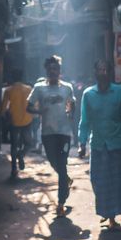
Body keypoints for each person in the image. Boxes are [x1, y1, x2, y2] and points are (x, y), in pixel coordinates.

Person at [78, 59, 121, 230]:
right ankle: (106, 210)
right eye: (100, 70)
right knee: (96, 179)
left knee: (115, 181)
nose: (103, 73)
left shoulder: (119, 92)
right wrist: (81, 143)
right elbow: (85, 121)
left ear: (110, 73)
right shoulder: (88, 94)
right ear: (95, 73)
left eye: (106, 70)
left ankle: (112, 218)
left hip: (116, 144)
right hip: (97, 145)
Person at [27, 56, 75, 216]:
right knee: (55, 163)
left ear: (60, 71)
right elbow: (28, 107)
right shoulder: (39, 88)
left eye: (55, 69)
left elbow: (72, 103)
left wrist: (71, 113)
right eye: (50, 69)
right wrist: (39, 111)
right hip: (47, 133)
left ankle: (61, 202)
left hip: (64, 133)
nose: (53, 71)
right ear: (46, 71)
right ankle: (66, 179)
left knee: (62, 164)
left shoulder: (67, 88)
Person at [0, 69, 33, 180]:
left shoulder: (8, 91)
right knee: (29, 143)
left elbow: (3, 109)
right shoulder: (29, 89)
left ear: (12, 77)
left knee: (14, 146)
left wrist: (3, 117)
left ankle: (14, 169)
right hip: (27, 120)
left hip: (14, 121)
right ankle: (21, 154)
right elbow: (34, 105)